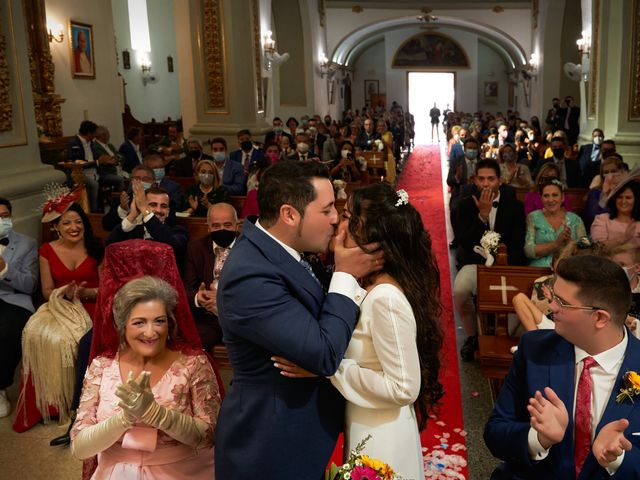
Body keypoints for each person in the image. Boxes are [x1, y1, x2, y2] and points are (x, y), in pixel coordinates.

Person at [214, 161, 382, 479]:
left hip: (299, 437)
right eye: (328, 209)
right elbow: (322, 354)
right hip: (270, 449)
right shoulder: (249, 276)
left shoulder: (285, 248)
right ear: (290, 215)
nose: (336, 219)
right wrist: (345, 274)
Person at [276, 183, 443, 478]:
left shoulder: (385, 298)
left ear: (372, 235)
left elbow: (404, 386)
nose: (339, 223)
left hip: (381, 436)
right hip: (367, 419)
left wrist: (329, 368)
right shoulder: (369, 284)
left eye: (349, 217)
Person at [485, 255, 640, 479]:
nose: (551, 307)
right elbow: (495, 433)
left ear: (599, 317)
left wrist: (618, 458)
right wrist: (537, 439)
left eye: (562, 302)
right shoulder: (534, 350)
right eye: (554, 296)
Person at [70, 274, 221, 479]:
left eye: (159, 321)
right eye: (139, 322)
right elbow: (80, 448)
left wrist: (156, 414)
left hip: (183, 471)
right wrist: (124, 418)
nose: (151, 333)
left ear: (170, 324)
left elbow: (210, 436)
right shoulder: (101, 366)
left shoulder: (194, 363)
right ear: (122, 326)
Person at [15, 196, 102, 435]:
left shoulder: (97, 247)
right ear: (56, 227)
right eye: (66, 223)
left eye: (78, 222)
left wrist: (85, 292)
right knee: (39, 334)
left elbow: (107, 289)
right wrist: (65, 293)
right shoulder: (46, 250)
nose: (74, 228)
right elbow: (45, 291)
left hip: (93, 305)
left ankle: (78, 405)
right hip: (59, 305)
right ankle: (48, 405)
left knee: (74, 341)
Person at [454, 159, 526, 361]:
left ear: (500, 181)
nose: (486, 184)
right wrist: (482, 217)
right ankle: (472, 336)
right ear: (475, 180)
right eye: (481, 179)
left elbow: (518, 243)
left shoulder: (515, 207)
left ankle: (501, 338)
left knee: (514, 301)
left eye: (491, 179)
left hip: (508, 264)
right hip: (474, 262)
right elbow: (464, 242)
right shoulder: (465, 205)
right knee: (460, 291)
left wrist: (502, 263)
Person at [0, 197, 38, 419]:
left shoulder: (27, 243)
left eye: (5, 216)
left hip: (14, 299)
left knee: (6, 331)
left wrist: (6, 270)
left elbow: (30, 285)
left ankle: (1, 386)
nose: (1, 220)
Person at [184, 203, 239, 350]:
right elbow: (187, 288)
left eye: (227, 225)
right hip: (207, 317)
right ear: (208, 227)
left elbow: (256, 290)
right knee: (193, 342)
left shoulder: (250, 248)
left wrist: (222, 298)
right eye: (216, 226)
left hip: (240, 315)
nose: (222, 229)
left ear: (237, 225)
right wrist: (199, 297)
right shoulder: (195, 248)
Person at [524, 179, 586, 267]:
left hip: (569, 271)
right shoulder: (533, 217)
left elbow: (586, 251)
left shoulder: (576, 219)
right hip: (538, 270)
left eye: (555, 195)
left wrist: (571, 242)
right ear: (541, 198)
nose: (550, 200)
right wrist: (556, 244)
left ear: (562, 197)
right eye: (546, 196)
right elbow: (529, 251)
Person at [591, 180, 640, 247]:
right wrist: (624, 238)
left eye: (628, 198)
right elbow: (597, 248)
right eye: (619, 197)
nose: (623, 201)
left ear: (636, 200)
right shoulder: (602, 219)